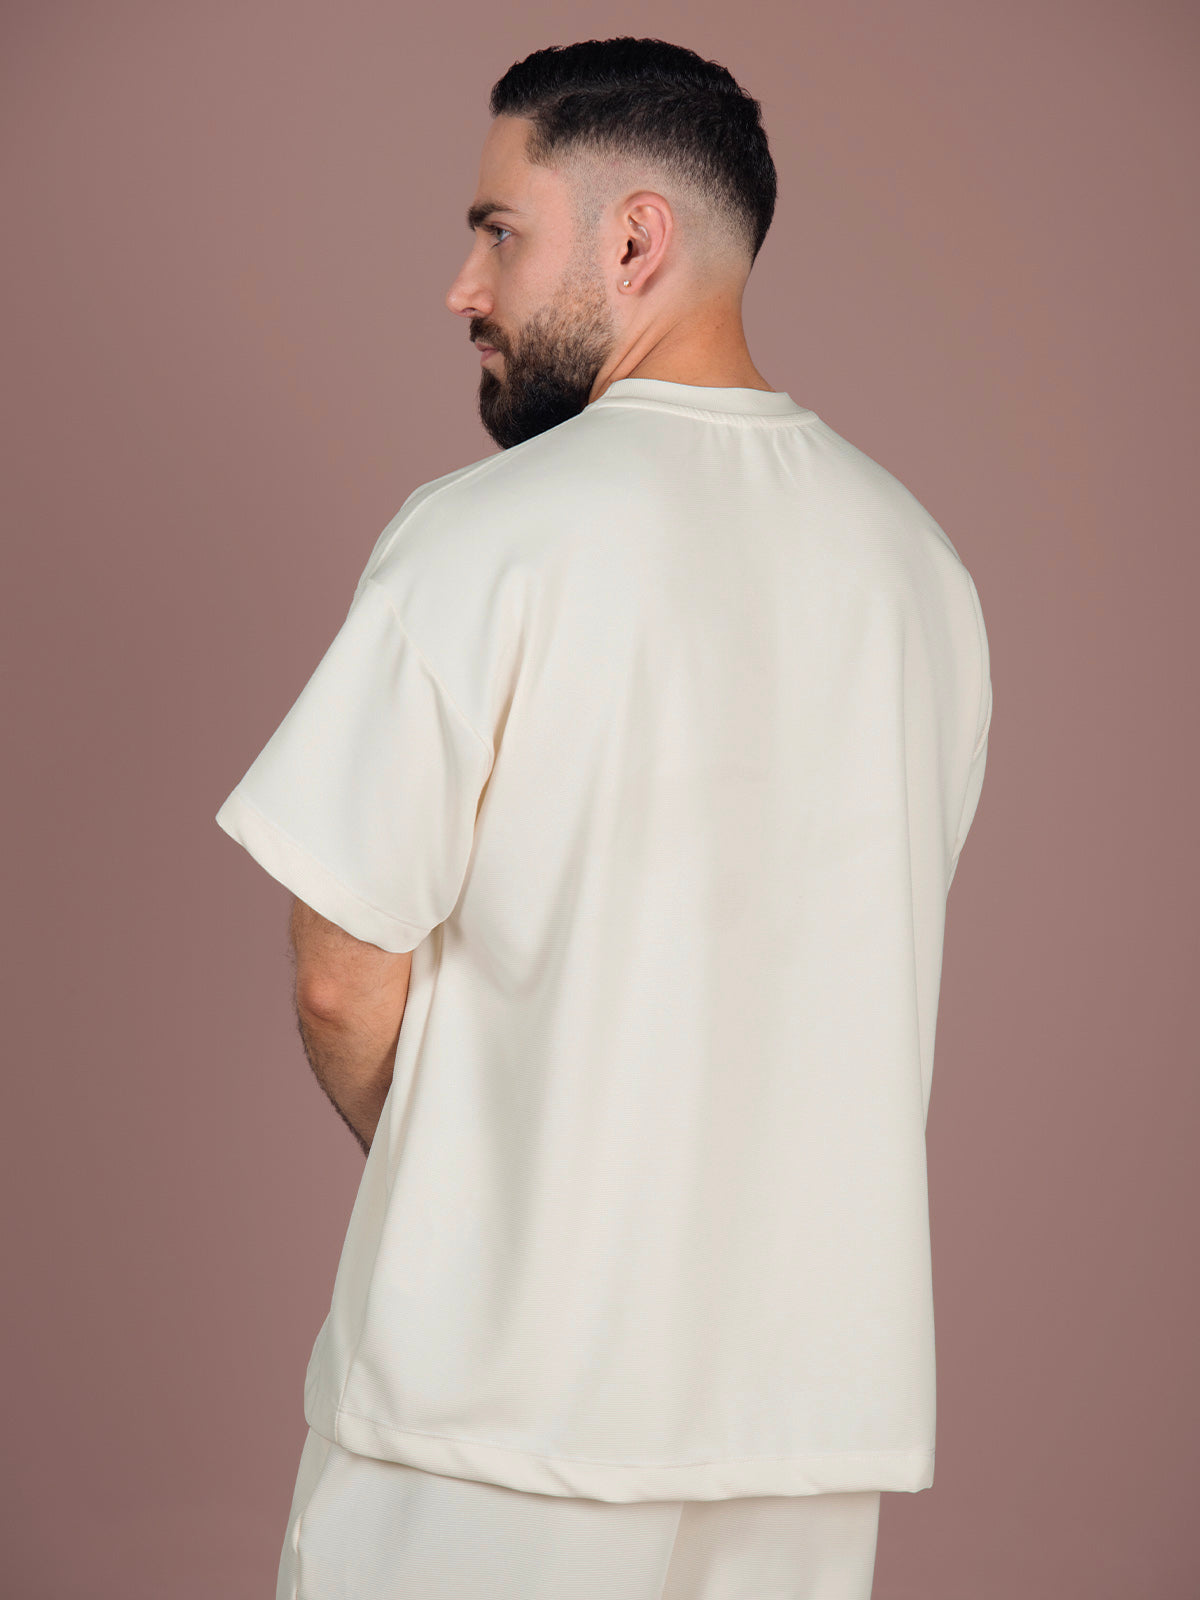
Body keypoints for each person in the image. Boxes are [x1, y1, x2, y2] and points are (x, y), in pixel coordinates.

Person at [215, 35, 993, 1600]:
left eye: (499, 231)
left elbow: (342, 976)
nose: (463, 287)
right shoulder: (918, 570)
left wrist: (475, 1178)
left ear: (635, 240)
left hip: (489, 1418)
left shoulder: (482, 539)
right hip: (801, 1430)